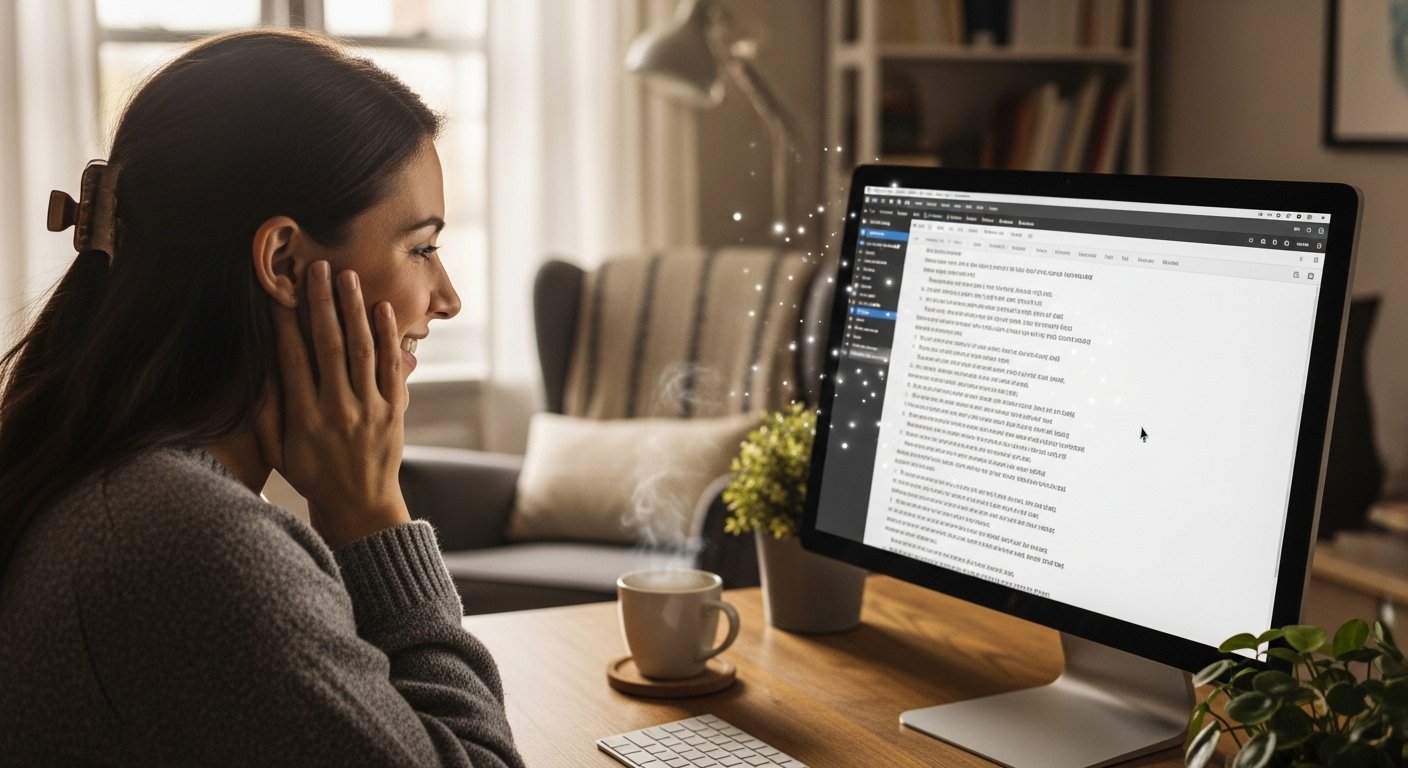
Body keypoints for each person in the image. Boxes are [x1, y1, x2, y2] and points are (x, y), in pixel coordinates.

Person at [0, 29, 526, 767]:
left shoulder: (125, 491)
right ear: (284, 260)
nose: (448, 299)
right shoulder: (190, 545)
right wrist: (372, 511)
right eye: (422, 248)